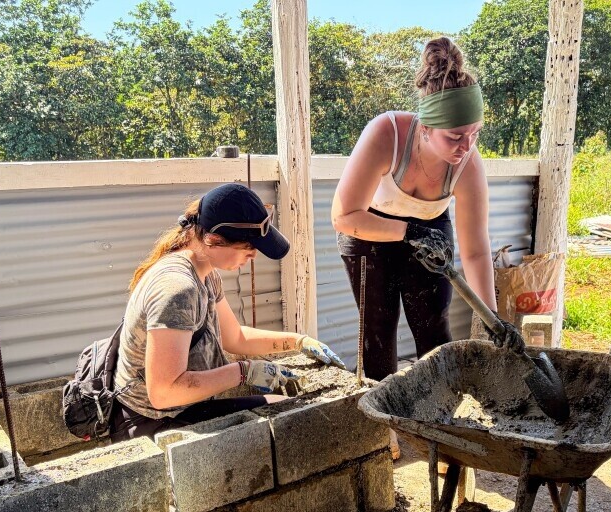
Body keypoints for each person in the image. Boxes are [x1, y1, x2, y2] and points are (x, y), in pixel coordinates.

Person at [331, 36, 525, 384]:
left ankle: (439, 420)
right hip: (369, 230)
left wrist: (492, 320)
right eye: (455, 137)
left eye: (475, 134)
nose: (466, 147)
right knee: (377, 338)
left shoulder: (468, 164)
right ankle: (384, 427)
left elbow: (478, 251)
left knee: (434, 331)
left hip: (431, 228)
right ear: (427, 127)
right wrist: (407, 231)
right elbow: (343, 217)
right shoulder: (386, 134)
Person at [110, 183, 345, 442]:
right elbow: (164, 392)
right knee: (286, 413)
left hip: (182, 406)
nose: (254, 256)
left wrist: (298, 341)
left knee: (285, 406)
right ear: (213, 240)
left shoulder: (205, 273)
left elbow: (235, 337)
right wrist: (244, 371)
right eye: (248, 247)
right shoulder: (178, 289)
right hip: (154, 419)